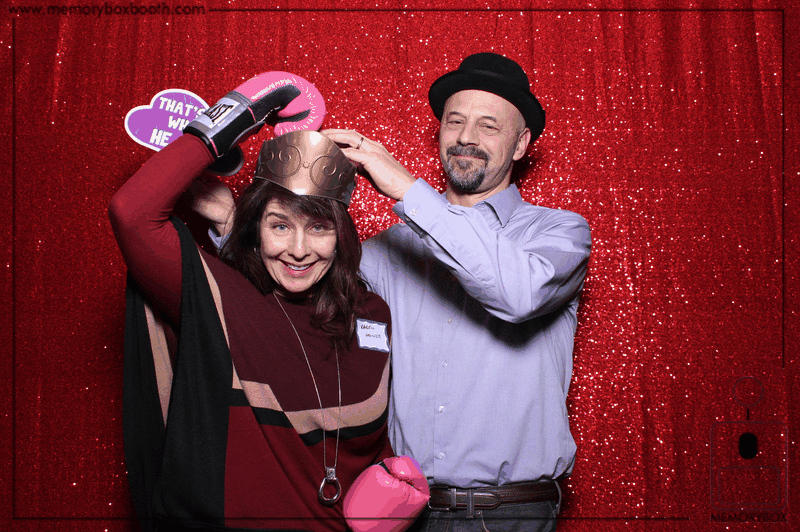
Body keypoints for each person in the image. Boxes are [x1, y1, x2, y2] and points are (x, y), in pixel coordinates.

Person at [200, 54, 591, 531]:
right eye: (455, 121)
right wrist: (231, 222)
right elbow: (297, 287)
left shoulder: (557, 234)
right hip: (403, 513)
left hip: (509, 513)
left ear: (520, 144)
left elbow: (518, 294)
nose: (466, 137)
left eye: (488, 126)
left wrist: (406, 188)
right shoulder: (388, 251)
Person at [109, 73, 409, 532]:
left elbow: (363, 443)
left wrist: (389, 485)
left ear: (341, 236)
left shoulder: (371, 315)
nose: (299, 250)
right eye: (280, 226)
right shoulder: (218, 296)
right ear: (255, 229)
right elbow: (132, 213)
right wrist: (246, 106)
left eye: (319, 228)